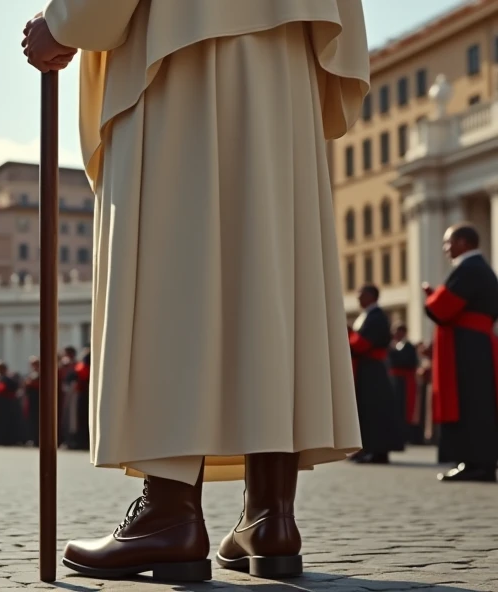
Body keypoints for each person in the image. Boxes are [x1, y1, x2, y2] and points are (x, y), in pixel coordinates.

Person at [23, 0, 368, 581]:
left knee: (175, 257)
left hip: (178, 44)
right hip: (287, 54)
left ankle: (169, 512)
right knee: (270, 266)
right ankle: (270, 513)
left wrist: (64, 21)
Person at [423, 223, 498, 483]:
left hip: (466, 347)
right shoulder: (483, 269)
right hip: (479, 343)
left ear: (464, 243)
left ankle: (474, 463)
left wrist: (431, 299)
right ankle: (481, 463)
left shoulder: (468, 268)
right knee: (480, 404)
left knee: (469, 403)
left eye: (448, 242)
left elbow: (441, 309)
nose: (445, 248)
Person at [348, 285, 404, 464]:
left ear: (372, 296)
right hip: (366, 368)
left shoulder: (377, 316)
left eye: (361, 295)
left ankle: (377, 450)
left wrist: (348, 334)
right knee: (367, 410)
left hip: (373, 370)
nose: (358, 298)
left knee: (375, 410)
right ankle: (367, 448)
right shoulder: (368, 315)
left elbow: (363, 343)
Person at [388, 324, 421, 445]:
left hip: (404, 381)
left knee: (405, 408)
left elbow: (409, 362)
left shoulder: (408, 346)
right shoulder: (393, 345)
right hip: (395, 380)